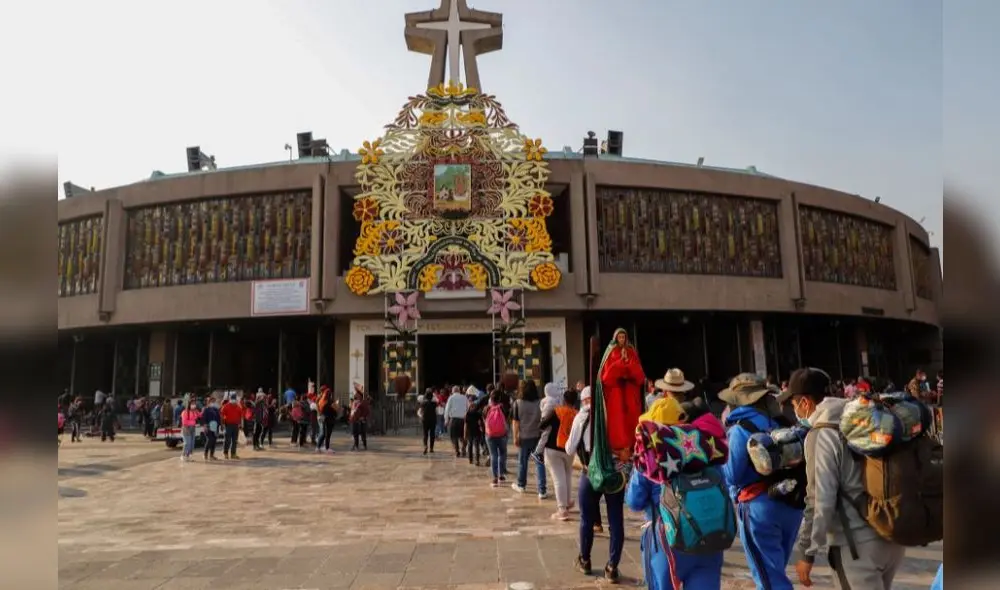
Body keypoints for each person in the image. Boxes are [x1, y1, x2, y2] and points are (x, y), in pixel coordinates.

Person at [782, 368, 906, 589]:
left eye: (793, 403)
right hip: (890, 534)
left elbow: (820, 498)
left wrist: (806, 552)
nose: (794, 410)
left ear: (806, 402)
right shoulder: (863, 421)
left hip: (856, 547)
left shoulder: (821, 435)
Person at [626, 396, 728, 590]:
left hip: (666, 541)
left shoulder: (650, 456)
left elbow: (634, 502)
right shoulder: (704, 450)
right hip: (708, 535)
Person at [720, 373, 804, 590]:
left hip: (758, 507)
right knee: (775, 570)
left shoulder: (740, 430)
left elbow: (732, 475)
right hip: (792, 505)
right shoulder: (783, 421)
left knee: (769, 579)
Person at [566, 386, 625, 584]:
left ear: (584, 401)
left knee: (586, 518)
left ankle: (585, 560)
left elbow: (569, 448)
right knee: (616, 518)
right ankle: (612, 567)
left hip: (590, 472)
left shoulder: (582, 417)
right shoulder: (615, 414)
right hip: (614, 472)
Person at [598, 328, 646, 456]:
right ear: (615, 338)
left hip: (630, 391)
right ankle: (618, 448)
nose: (621, 340)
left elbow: (640, 376)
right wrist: (620, 363)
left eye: (623, 337)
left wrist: (628, 363)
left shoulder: (631, 352)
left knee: (632, 419)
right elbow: (606, 378)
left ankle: (634, 445)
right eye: (619, 337)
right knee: (617, 421)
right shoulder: (611, 352)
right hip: (616, 392)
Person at [539, 388, 579, 521]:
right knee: (567, 476)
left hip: (553, 448)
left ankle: (562, 509)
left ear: (563, 399)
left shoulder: (557, 411)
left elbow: (542, 425)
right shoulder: (577, 414)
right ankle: (567, 502)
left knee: (558, 479)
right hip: (569, 449)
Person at [511, 379, 547, 499]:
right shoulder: (540, 402)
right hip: (537, 436)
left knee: (522, 462)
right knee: (539, 463)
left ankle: (521, 485)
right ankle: (542, 490)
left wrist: (515, 437)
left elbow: (515, 423)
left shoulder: (517, 403)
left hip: (524, 437)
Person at [483, 391, 508, 486]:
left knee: (493, 455)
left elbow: (484, 419)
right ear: (499, 399)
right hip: (502, 434)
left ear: (491, 399)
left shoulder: (487, 408)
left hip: (490, 435)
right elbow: (506, 418)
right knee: (502, 454)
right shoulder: (502, 407)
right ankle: (501, 475)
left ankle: (494, 478)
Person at [444, 385, 469, 457]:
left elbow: (447, 409)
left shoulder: (451, 398)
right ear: (459, 391)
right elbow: (468, 408)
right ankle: (463, 448)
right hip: (463, 420)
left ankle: (457, 451)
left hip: (454, 420)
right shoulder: (464, 397)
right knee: (463, 436)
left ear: (453, 391)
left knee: (453, 436)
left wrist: (446, 420)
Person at [464, 390, 485, 466]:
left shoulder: (467, 414)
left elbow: (465, 425)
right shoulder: (478, 413)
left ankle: (471, 459)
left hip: (470, 432)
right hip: (476, 432)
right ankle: (477, 460)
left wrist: (464, 434)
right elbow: (480, 423)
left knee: (470, 446)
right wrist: (482, 429)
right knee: (476, 446)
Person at [220, 396, 242, 460]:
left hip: (236, 425)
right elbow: (221, 415)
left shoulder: (238, 407)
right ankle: (225, 453)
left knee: (235, 441)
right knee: (227, 440)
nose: (233, 400)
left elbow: (240, 416)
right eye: (232, 399)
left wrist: (240, 425)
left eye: (234, 399)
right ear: (230, 399)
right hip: (228, 425)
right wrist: (222, 425)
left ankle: (233, 454)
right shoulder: (226, 406)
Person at [317, 386, 337, 453]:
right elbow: (335, 409)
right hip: (329, 419)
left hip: (324, 418)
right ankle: (326, 448)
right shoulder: (329, 401)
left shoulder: (321, 400)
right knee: (327, 434)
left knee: (323, 433)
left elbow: (319, 409)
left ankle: (318, 447)